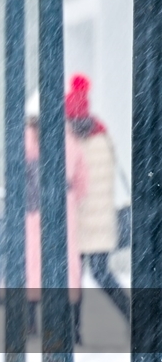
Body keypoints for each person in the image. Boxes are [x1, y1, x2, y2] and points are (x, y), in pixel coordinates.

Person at [65, 74, 130, 327]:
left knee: (73, 277)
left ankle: (74, 329)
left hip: (77, 217)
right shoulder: (103, 136)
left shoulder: (70, 143)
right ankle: (130, 314)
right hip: (101, 221)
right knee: (102, 274)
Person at [24, 114, 87, 338]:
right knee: (67, 264)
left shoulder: (27, 139)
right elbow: (82, 180)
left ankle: (31, 322)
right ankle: (73, 326)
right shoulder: (70, 139)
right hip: (64, 206)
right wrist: (72, 197)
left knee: (33, 263)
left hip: (34, 208)